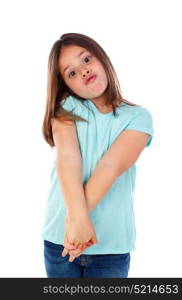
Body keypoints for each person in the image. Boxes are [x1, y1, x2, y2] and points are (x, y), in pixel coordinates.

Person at [41, 33, 154, 278]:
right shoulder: (66, 108)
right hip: (60, 241)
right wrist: (75, 222)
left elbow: (110, 166)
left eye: (87, 59)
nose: (82, 71)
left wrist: (76, 222)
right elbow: (68, 158)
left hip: (110, 247)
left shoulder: (138, 117)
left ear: (102, 59)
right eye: (71, 73)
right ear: (66, 84)